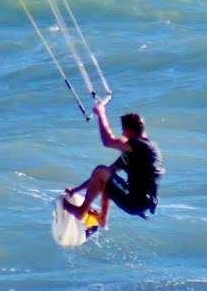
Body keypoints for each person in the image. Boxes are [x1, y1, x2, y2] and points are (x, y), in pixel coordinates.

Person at [63, 98, 164, 230]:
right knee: (105, 176)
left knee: (101, 170)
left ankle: (80, 212)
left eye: (123, 131)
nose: (122, 134)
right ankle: (102, 219)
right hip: (140, 203)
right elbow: (101, 177)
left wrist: (101, 113)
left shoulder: (139, 145)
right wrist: (75, 190)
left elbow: (108, 141)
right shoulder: (138, 152)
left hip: (136, 202)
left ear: (129, 131)